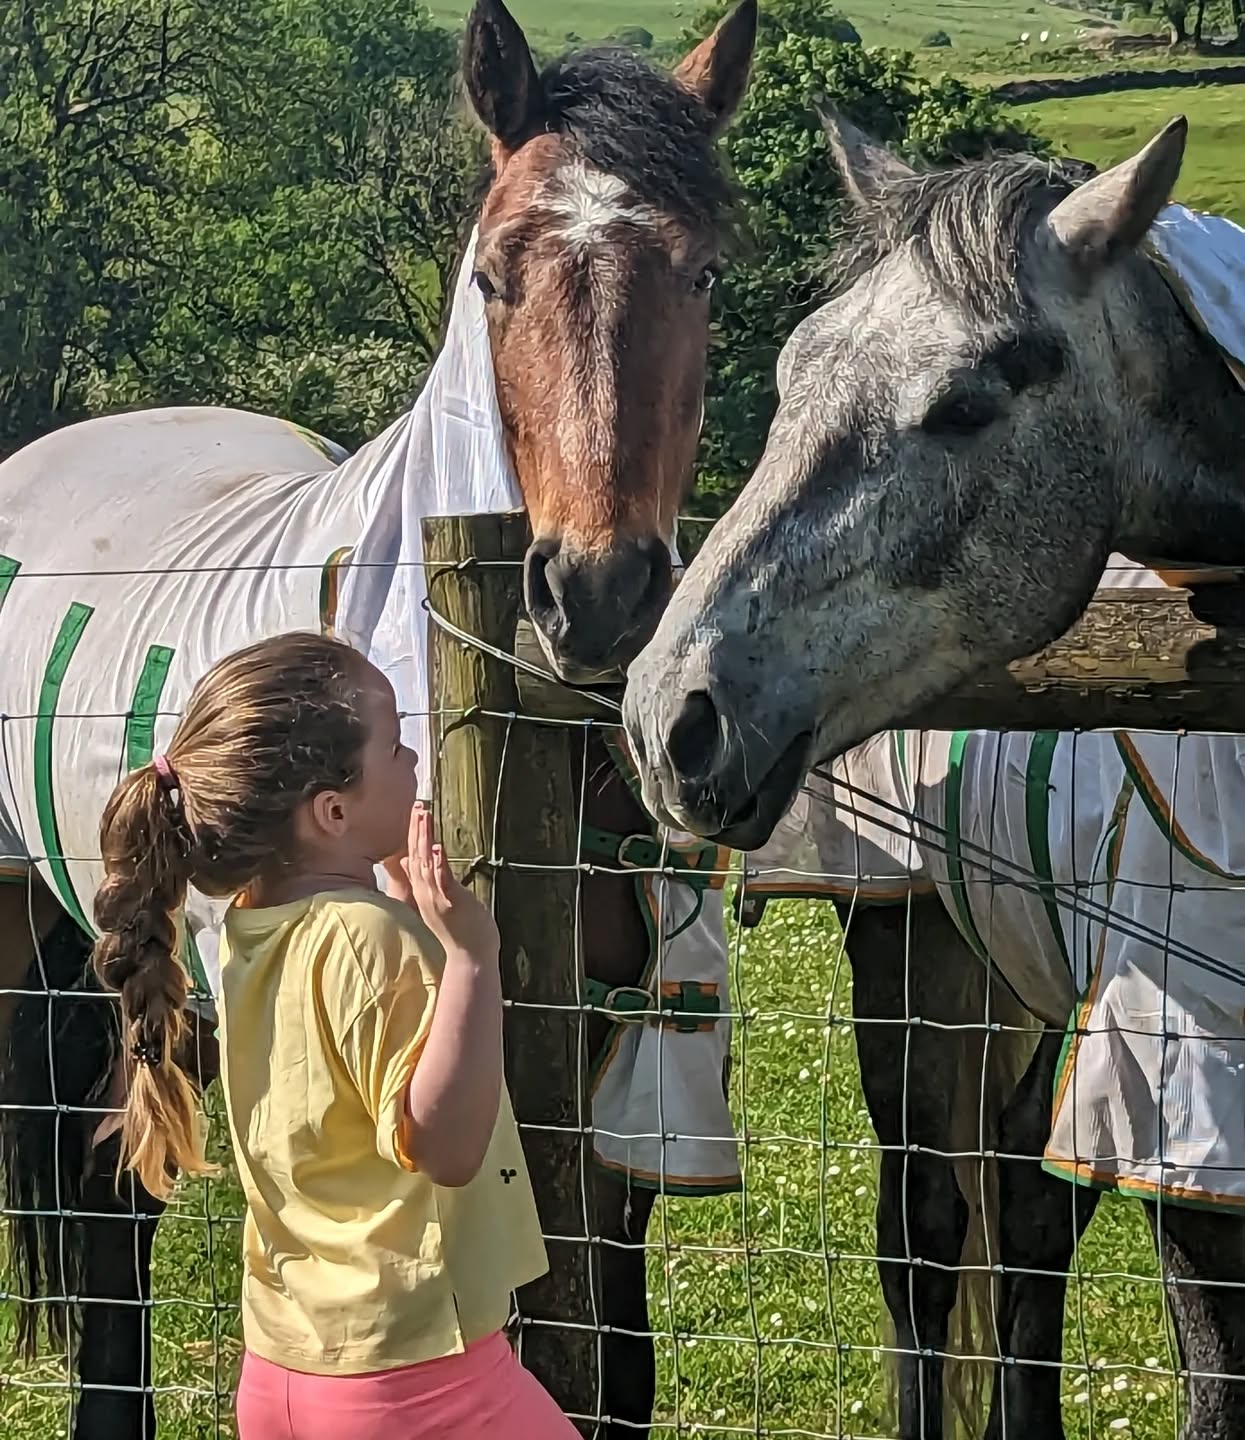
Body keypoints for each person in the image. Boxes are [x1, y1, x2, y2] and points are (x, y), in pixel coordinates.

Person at [91, 631, 579, 1439]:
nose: (413, 757)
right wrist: (471, 957)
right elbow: (444, 1147)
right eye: (393, 745)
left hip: (286, 1373)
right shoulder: (372, 940)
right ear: (334, 811)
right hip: (418, 1381)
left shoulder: (249, 928)